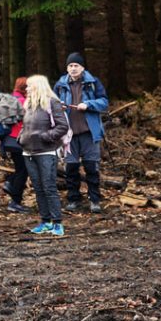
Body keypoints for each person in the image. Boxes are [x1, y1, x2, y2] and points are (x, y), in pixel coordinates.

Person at [54, 53, 109, 213]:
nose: (73, 68)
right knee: (71, 168)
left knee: (91, 167)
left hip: (89, 132)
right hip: (68, 134)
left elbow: (104, 102)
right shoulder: (60, 85)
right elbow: (51, 104)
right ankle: (73, 199)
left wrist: (88, 104)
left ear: (82, 67)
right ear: (67, 68)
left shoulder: (92, 83)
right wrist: (60, 107)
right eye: (70, 66)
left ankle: (95, 200)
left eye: (76, 65)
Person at [19, 75, 70, 237]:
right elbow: (24, 126)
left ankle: (57, 223)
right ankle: (45, 221)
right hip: (28, 152)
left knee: (49, 187)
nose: (26, 89)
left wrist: (46, 137)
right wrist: (21, 138)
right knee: (38, 188)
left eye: (29, 86)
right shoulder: (29, 105)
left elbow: (63, 126)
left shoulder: (51, 102)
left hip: (46, 151)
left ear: (38, 86)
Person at [1, 77, 30, 213]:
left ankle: (10, 184)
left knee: (20, 168)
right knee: (23, 170)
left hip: (10, 139)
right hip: (20, 139)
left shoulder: (11, 98)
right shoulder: (23, 101)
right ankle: (15, 200)